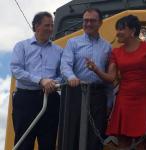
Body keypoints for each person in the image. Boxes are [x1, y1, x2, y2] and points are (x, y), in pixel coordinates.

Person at [86, 15, 146, 150]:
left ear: (132, 31)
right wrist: (95, 69)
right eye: (117, 29)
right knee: (122, 140)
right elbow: (111, 78)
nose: (117, 33)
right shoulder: (116, 52)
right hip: (124, 99)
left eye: (121, 29)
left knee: (142, 142)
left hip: (145, 99)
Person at [60, 8, 112, 150]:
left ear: (100, 23)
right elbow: (65, 65)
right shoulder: (73, 43)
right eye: (85, 20)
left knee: (95, 138)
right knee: (72, 136)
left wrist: (109, 102)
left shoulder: (107, 47)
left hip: (98, 97)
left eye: (92, 21)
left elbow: (109, 78)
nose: (88, 24)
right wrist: (71, 77)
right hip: (76, 94)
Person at [10, 11, 62, 150]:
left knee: (48, 143)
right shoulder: (22, 47)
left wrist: (53, 82)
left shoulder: (58, 51)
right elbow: (16, 70)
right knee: (24, 143)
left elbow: (63, 75)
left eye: (52, 25)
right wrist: (40, 80)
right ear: (37, 26)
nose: (50, 29)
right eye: (47, 25)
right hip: (25, 100)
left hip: (50, 100)